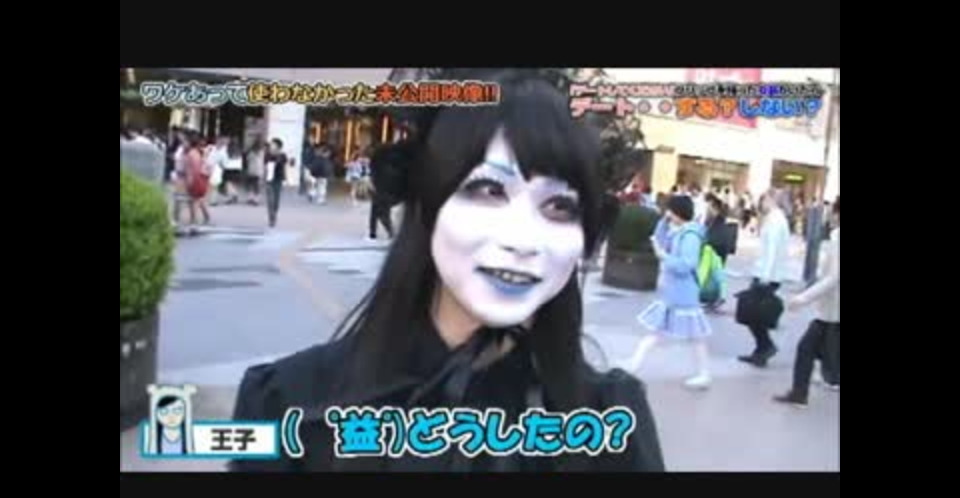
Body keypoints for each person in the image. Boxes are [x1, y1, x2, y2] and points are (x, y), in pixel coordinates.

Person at [229, 69, 665, 472]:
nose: (523, 240)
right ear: (428, 201)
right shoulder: (289, 405)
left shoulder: (609, 421)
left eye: (559, 207)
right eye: (488, 190)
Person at [625, 195, 713, 390]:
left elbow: (687, 264)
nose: (667, 214)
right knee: (687, 336)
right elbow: (659, 238)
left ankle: (633, 367)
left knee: (690, 336)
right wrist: (663, 223)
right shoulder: (680, 231)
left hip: (682, 294)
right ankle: (633, 366)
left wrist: (664, 257)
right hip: (675, 292)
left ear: (677, 212)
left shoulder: (690, 235)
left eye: (669, 211)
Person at [775, 196, 840, 407]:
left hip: (833, 311)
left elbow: (833, 277)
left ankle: (800, 394)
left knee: (811, 350)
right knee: (812, 350)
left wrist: (804, 298)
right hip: (831, 311)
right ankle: (799, 394)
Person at [738, 189, 790, 368]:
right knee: (754, 314)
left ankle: (765, 346)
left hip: (767, 275)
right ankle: (762, 349)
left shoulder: (775, 220)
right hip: (768, 273)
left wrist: (764, 276)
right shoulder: (775, 219)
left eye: (764, 199)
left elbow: (771, 250)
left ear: (772, 199)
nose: (761, 203)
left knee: (753, 313)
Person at [703, 194, 733, 310]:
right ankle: (714, 298)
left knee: (716, 274)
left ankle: (718, 297)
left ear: (715, 208)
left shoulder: (717, 220)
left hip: (717, 246)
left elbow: (714, 234)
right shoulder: (717, 220)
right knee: (715, 274)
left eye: (710, 207)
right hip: (718, 246)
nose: (708, 209)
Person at [183, 131, 211, 230]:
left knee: (194, 200)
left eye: (185, 142)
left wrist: (190, 181)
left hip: (195, 179)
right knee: (198, 199)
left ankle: (193, 220)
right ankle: (205, 216)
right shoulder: (196, 152)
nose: (184, 143)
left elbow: (193, 169)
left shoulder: (191, 154)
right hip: (199, 179)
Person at [264, 138, 287, 228]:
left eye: (273, 144)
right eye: (271, 144)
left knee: (276, 200)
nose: (271, 146)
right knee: (270, 200)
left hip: (278, 179)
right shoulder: (267, 155)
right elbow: (265, 166)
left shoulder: (283, 156)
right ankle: (271, 218)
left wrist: (286, 178)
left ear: (278, 146)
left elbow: (284, 166)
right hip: (269, 180)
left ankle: (274, 213)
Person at [221, 138, 244, 205]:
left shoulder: (229, 150)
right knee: (233, 183)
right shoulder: (238, 150)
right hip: (236, 169)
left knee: (228, 183)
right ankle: (233, 196)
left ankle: (233, 196)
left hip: (229, 169)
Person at [245, 137, 266, 205]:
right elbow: (263, 161)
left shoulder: (251, 152)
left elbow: (247, 159)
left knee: (251, 184)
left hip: (252, 170)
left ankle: (251, 198)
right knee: (256, 185)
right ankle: (256, 199)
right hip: (258, 170)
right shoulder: (262, 152)